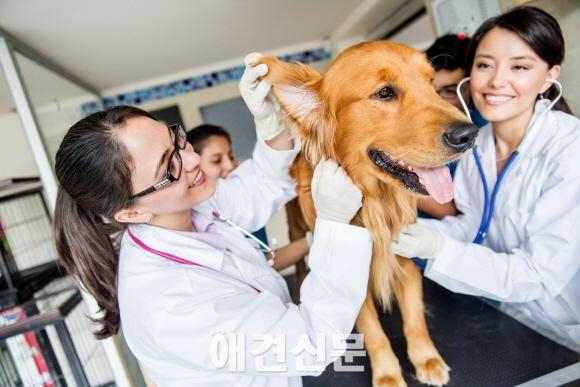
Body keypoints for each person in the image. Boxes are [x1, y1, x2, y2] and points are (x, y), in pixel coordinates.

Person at [53, 53, 373, 386]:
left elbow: (260, 185)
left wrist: (270, 124)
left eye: (176, 138)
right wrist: (335, 226)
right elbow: (312, 345)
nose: (192, 159)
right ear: (131, 213)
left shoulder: (187, 208)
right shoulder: (170, 307)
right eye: (168, 167)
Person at [392, 6, 580, 352]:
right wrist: (409, 234)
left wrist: (438, 249)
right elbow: (475, 227)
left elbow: (539, 275)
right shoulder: (478, 145)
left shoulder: (571, 151)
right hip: (515, 322)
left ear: (550, 75)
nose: (496, 81)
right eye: (484, 65)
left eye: (520, 67)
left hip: (569, 331)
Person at [187, 123, 311, 271]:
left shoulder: (235, 205)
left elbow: (268, 180)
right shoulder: (206, 210)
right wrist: (315, 240)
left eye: (231, 156)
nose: (230, 165)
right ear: (193, 165)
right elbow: (260, 266)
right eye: (216, 160)